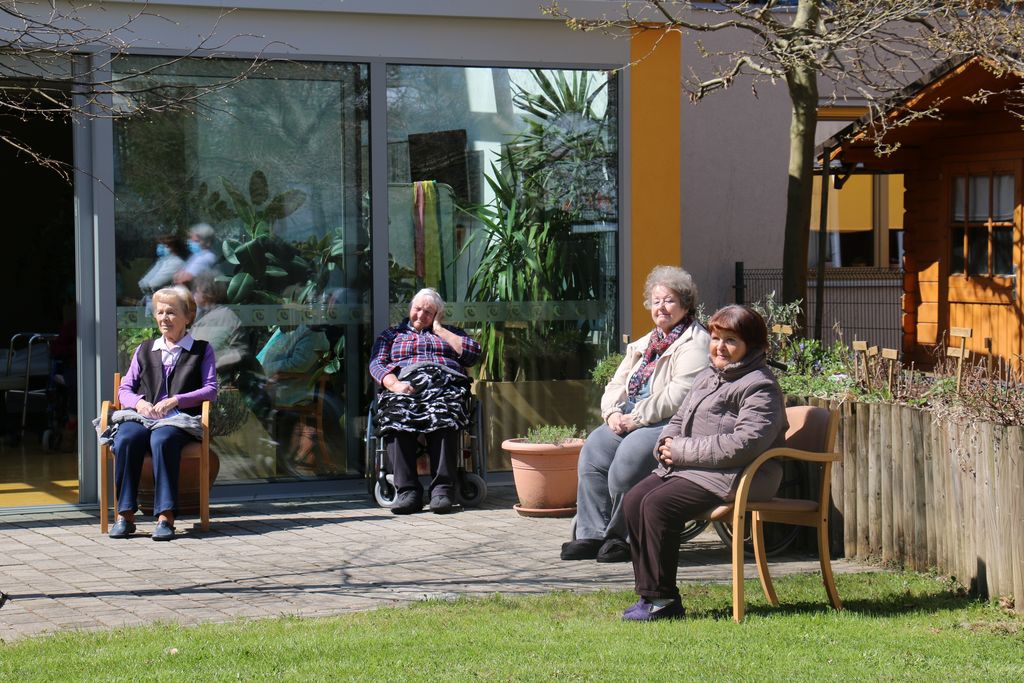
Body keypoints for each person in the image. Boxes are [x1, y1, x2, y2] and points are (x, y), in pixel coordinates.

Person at [621, 305, 787, 621]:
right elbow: (679, 418)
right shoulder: (708, 375)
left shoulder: (759, 386)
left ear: (751, 345)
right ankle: (650, 595)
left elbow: (743, 444)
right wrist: (665, 444)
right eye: (715, 338)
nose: (720, 347)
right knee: (633, 500)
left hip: (739, 475)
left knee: (657, 505)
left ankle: (663, 600)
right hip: (697, 469)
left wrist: (680, 451)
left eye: (731, 340)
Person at [561, 266, 710, 563]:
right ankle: (592, 534)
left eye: (669, 300)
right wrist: (611, 413)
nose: (661, 307)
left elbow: (678, 394)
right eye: (656, 301)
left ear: (685, 304)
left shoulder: (696, 342)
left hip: (669, 422)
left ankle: (623, 537)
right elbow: (616, 384)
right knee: (593, 450)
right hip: (631, 415)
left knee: (628, 461)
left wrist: (636, 419)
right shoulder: (647, 343)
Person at [108, 286, 217, 541]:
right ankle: (125, 515)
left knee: (162, 439)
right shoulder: (145, 349)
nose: (164, 318)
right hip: (142, 417)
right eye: (160, 312)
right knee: (126, 438)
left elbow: (210, 389)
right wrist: (139, 404)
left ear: (188, 317)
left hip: (179, 419)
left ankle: (165, 517)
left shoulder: (201, 350)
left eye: (171, 312)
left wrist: (176, 400)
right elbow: (125, 389)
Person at [369, 288, 481, 515]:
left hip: (444, 383)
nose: (421, 315)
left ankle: (442, 490)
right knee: (395, 414)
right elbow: (377, 363)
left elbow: (473, 354)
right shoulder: (391, 335)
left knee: (444, 411)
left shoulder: (451, 333)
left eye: (428, 312)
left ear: (438, 314)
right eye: (417, 309)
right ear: (410, 308)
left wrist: (439, 330)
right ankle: (408, 491)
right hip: (405, 384)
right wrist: (394, 384)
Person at [138, 234, 187, 299]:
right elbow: (142, 283)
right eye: (160, 246)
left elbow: (153, 284)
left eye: (165, 246)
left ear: (174, 247)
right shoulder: (163, 261)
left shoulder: (177, 263)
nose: (160, 248)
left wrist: (147, 287)